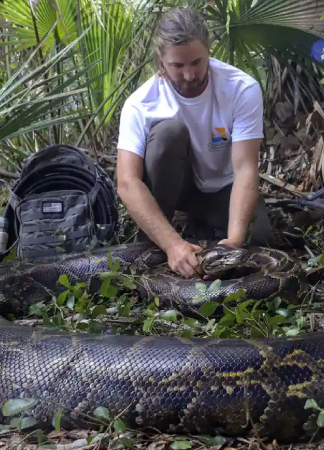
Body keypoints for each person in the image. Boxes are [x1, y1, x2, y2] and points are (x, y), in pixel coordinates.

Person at [115, 7, 274, 279]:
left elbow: (246, 169)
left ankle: (202, 226)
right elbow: (127, 182)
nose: (189, 75)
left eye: (197, 62)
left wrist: (233, 242)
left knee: (260, 239)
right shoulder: (140, 104)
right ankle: (153, 244)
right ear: (160, 61)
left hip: (222, 187)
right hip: (178, 191)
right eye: (178, 66)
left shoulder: (241, 88)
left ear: (208, 52)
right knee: (168, 134)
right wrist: (171, 244)